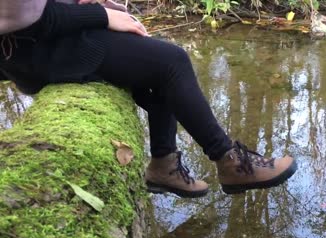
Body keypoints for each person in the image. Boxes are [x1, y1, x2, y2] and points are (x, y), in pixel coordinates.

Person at [0, 0, 297, 198]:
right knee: (171, 62)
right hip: (35, 50)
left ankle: (164, 166)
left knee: (153, 58)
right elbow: (23, 19)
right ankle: (229, 161)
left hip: (50, 38)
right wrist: (104, 15)